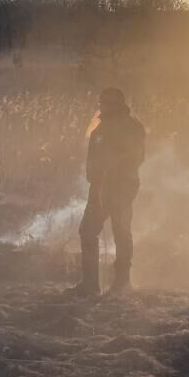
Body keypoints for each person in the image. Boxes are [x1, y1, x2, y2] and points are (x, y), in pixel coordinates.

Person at [76, 88, 146, 296]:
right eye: (101, 102)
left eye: (106, 103)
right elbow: (94, 157)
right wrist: (94, 177)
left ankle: (121, 283)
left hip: (121, 187)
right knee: (88, 231)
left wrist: (112, 169)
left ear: (117, 104)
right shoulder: (101, 126)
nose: (102, 106)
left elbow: (136, 157)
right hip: (98, 188)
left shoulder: (131, 127)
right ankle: (90, 284)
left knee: (121, 232)